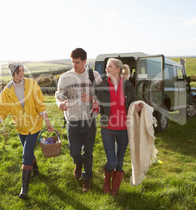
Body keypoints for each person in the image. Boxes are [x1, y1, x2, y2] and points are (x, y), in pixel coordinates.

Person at [0, 62, 54, 199]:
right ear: (13, 73)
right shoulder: (7, 91)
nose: (22, 73)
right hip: (20, 127)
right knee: (28, 151)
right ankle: (36, 169)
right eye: (19, 71)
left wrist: (47, 121)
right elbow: (2, 110)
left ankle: (24, 189)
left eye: (23, 70)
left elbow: (40, 104)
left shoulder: (32, 85)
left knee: (26, 154)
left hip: (34, 126)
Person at [55, 48, 101, 192]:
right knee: (74, 151)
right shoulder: (65, 77)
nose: (74, 65)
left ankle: (87, 178)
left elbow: (103, 95)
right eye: (73, 62)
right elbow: (59, 96)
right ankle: (78, 163)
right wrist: (59, 104)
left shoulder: (94, 75)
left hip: (89, 120)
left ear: (85, 61)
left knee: (88, 152)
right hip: (72, 120)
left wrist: (93, 99)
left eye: (77, 62)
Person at [95, 58, 143, 196]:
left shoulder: (128, 85)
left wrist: (138, 107)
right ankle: (106, 180)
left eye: (109, 66)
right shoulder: (102, 85)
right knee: (112, 162)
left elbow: (133, 104)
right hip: (107, 128)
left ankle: (115, 188)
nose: (106, 69)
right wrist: (95, 107)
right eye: (106, 67)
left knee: (120, 162)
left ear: (117, 69)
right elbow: (98, 107)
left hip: (124, 129)